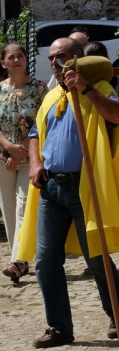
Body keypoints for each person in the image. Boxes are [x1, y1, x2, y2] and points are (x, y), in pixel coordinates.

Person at [19, 38, 119, 347]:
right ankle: (59, 328)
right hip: (50, 188)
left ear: (78, 59)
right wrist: (34, 162)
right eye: (52, 57)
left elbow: (115, 115)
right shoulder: (50, 95)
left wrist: (85, 89)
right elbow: (33, 133)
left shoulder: (101, 87)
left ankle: (117, 314)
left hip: (85, 186)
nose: (55, 63)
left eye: (63, 57)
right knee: (45, 261)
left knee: (96, 256)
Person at [0, 44, 47, 284]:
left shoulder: (39, 88)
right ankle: (20, 260)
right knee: (8, 211)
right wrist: (8, 147)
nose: (16, 59)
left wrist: (21, 151)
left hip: (30, 157)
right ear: (3, 63)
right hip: (3, 158)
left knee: (23, 207)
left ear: (26, 60)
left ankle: (18, 260)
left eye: (20, 55)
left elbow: (43, 120)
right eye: (11, 56)